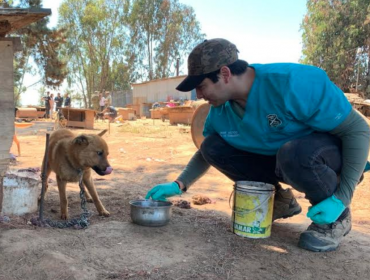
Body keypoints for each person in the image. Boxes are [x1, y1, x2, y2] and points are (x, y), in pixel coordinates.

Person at [145, 38, 370, 252]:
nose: (199, 94)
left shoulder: (292, 83)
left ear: (224, 73)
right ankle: (279, 201)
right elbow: (207, 152)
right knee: (213, 145)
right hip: (284, 159)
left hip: (327, 155)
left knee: (293, 153)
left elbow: (357, 130)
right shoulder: (220, 109)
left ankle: (337, 218)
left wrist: (343, 196)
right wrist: (179, 184)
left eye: (202, 86)